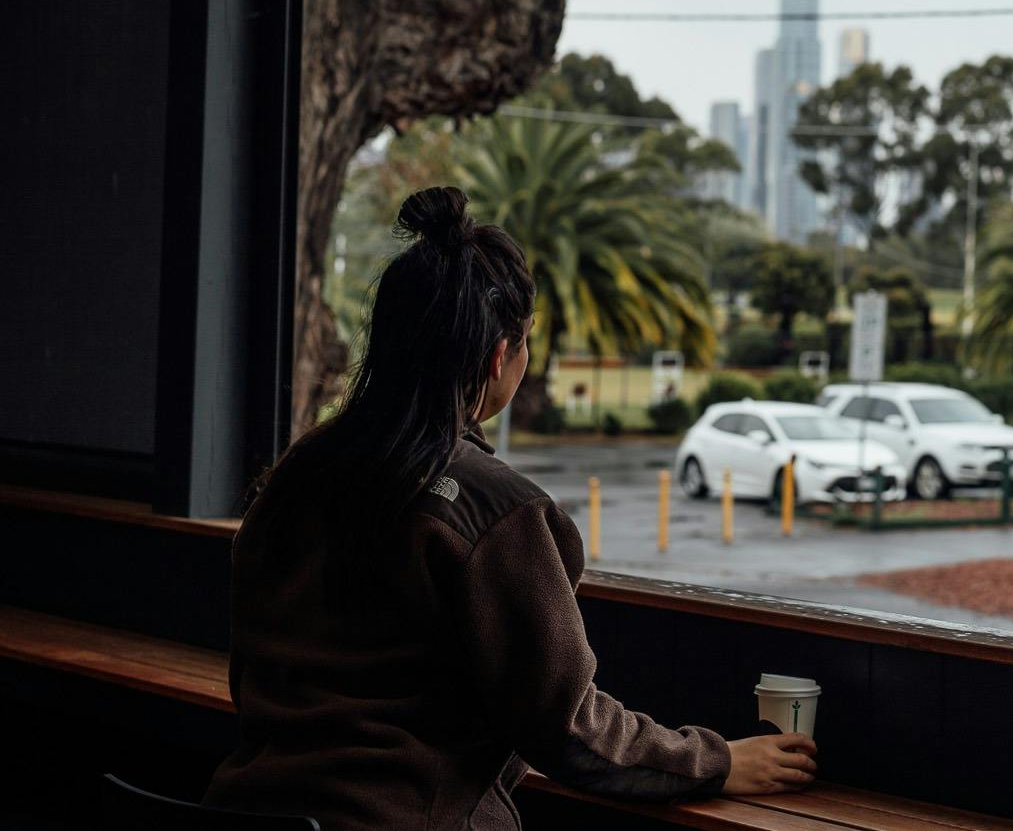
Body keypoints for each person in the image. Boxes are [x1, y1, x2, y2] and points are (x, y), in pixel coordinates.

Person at [203, 186, 815, 829]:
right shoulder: (497, 511)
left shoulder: (298, 474)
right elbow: (571, 732)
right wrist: (716, 761)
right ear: (501, 356)